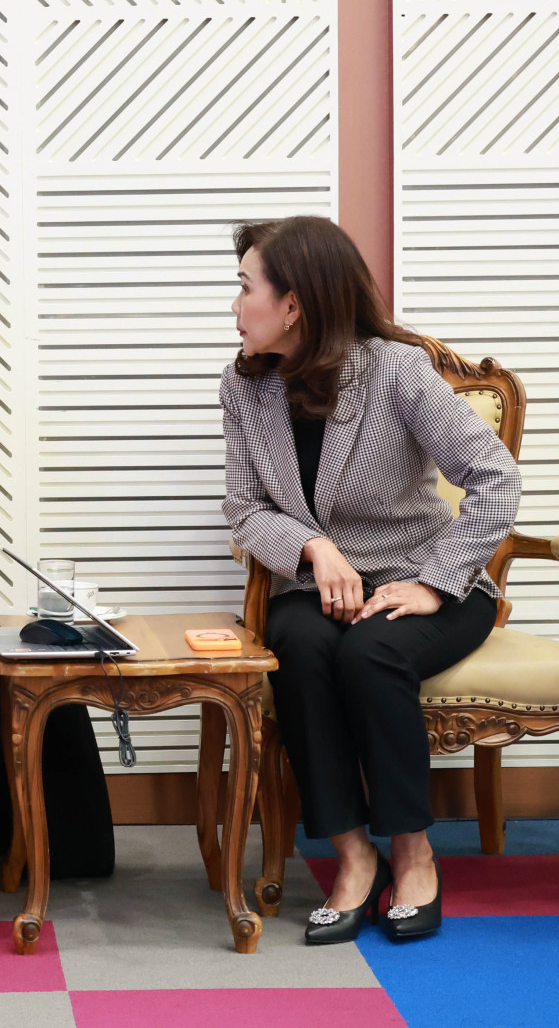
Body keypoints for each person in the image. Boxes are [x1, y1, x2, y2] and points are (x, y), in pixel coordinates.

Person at [220, 216, 521, 944]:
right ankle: (354, 855)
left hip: (431, 583)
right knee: (297, 643)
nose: (235, 304)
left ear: (293, 304)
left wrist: (436, 582)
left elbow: (496, 478)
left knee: (370, 651)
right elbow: (244, 507)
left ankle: (413, 853)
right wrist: (312, 546)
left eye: (245, 287)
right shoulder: (244, 385)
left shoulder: (396, 370)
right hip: (317, 587)